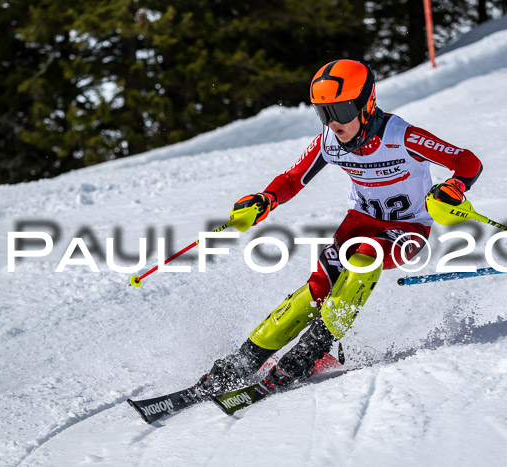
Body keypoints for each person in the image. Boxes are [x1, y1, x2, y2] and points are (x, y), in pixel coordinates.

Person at [193, 59, 483, 396]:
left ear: (367, 104)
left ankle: (312, 350)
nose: (333, 122)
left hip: (408, 228)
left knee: (364, 260)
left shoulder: (401, 136)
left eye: (342, 110)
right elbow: (291, 179)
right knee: (319, 285)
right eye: (323, 113)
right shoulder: (328, 142)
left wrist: (454, 187)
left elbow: (466, 161)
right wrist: (265, 199)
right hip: (359, 222)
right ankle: (246, 359)